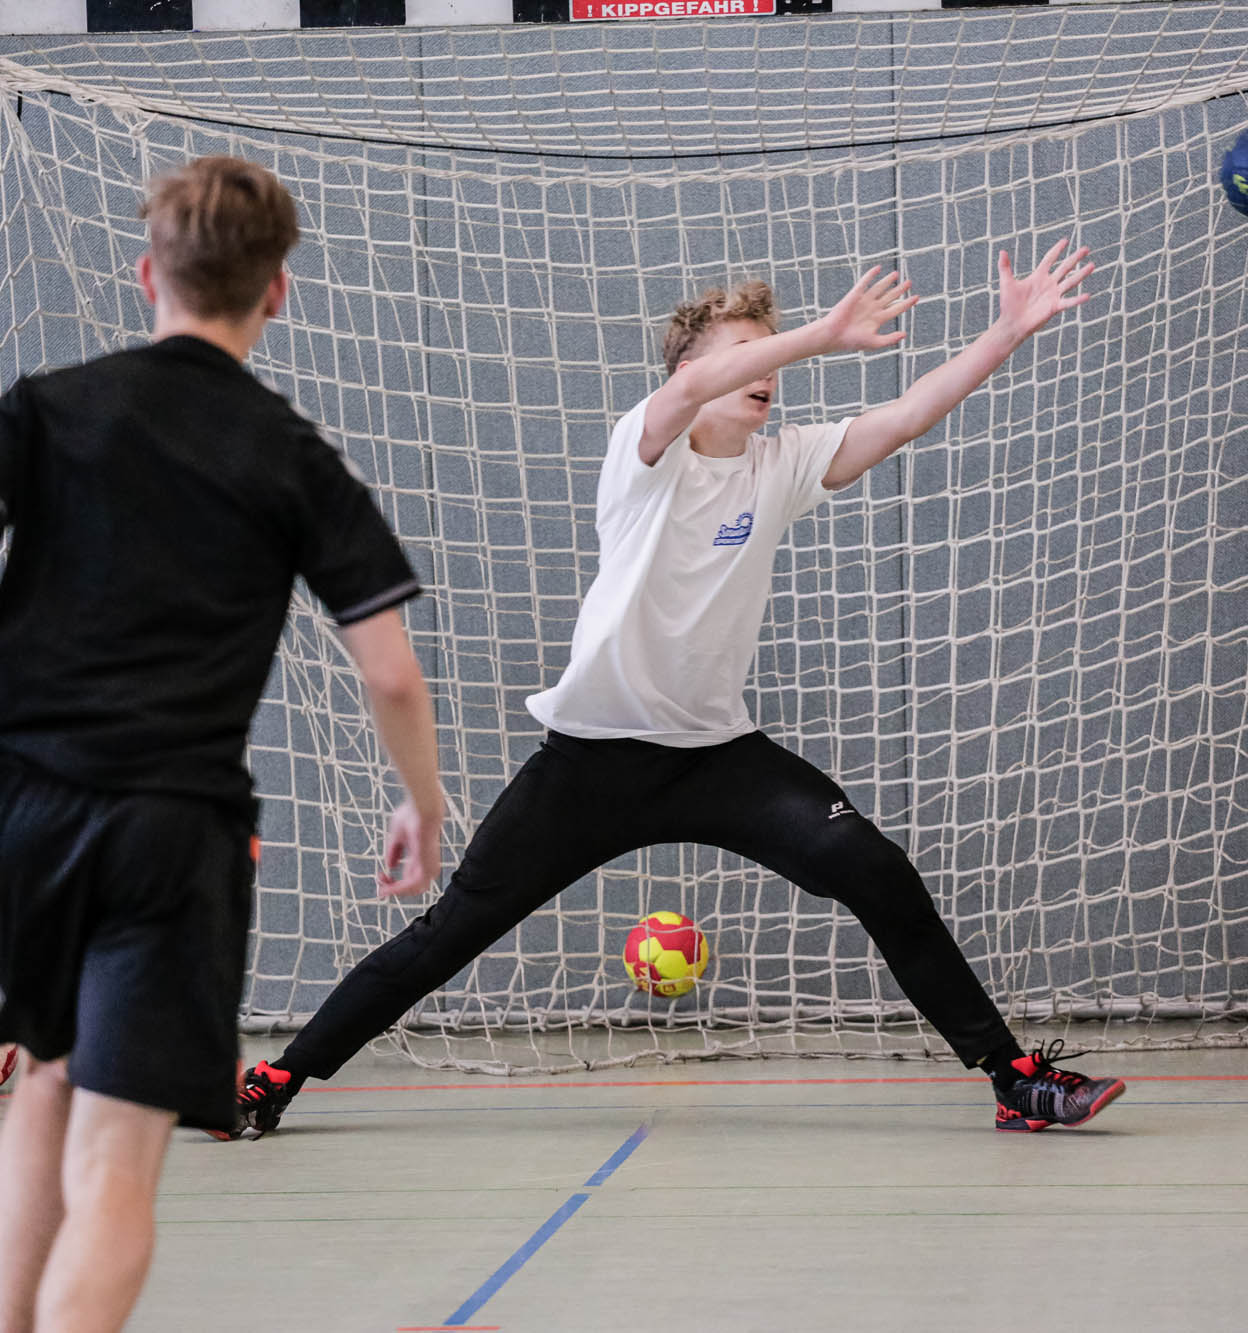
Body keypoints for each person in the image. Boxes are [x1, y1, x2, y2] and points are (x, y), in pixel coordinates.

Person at [228, 243, 1124, 1140]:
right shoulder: (644, 449)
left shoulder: (781, 465)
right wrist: (818, 335)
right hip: (590, 764)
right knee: (451, 932)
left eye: (770, 354)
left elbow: (902, 417)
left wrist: (1004, 332)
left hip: (717, 759)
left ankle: (1015, 1080)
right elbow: (695, 393)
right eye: (748, 352)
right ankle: (273, 1079)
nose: (766, 370)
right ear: (695, 371)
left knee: (876, 871)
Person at [0, 155, 447, 1332]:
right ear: (277, 292)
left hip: (11, 816)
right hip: (167, 830)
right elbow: (388, 668)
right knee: (120, 1157)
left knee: (45, 1071)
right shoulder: (291, 453)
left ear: (150, 275)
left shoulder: (46, 405)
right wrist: (421, 802)